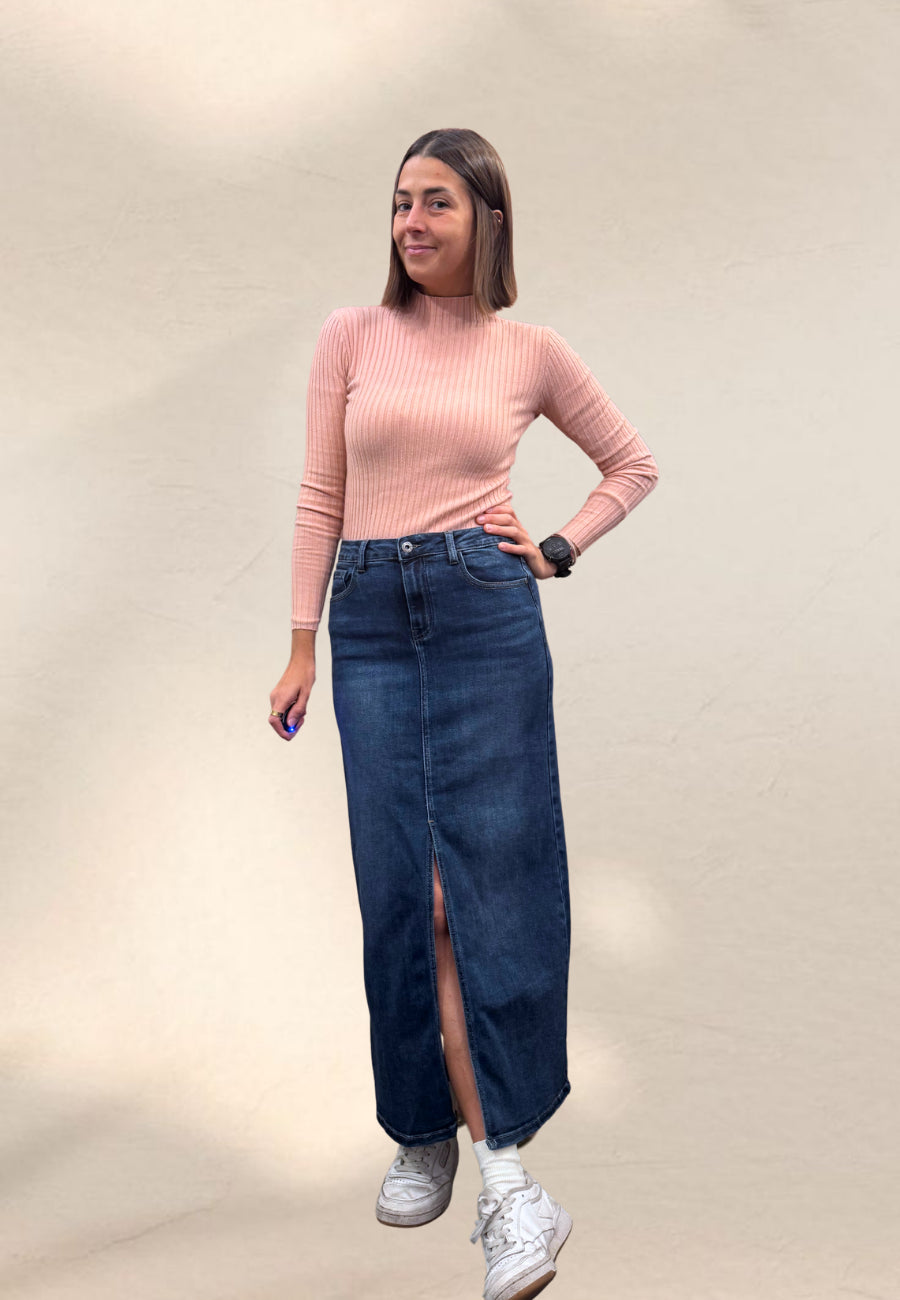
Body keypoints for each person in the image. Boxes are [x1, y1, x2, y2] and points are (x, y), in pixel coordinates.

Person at [268, 127, 659, 1300]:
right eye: (400, 203)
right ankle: (421, 1124)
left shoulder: (529, 350)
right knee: (402, 885)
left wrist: (556, 547)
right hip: (369, 625)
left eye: (437, 201)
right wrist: (301, 642)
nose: (412, 223)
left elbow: (630, 465)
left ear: (489, 216)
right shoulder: (351, 336)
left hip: (485, 616)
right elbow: (322, 494)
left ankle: (508, 1180)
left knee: (484, 886)